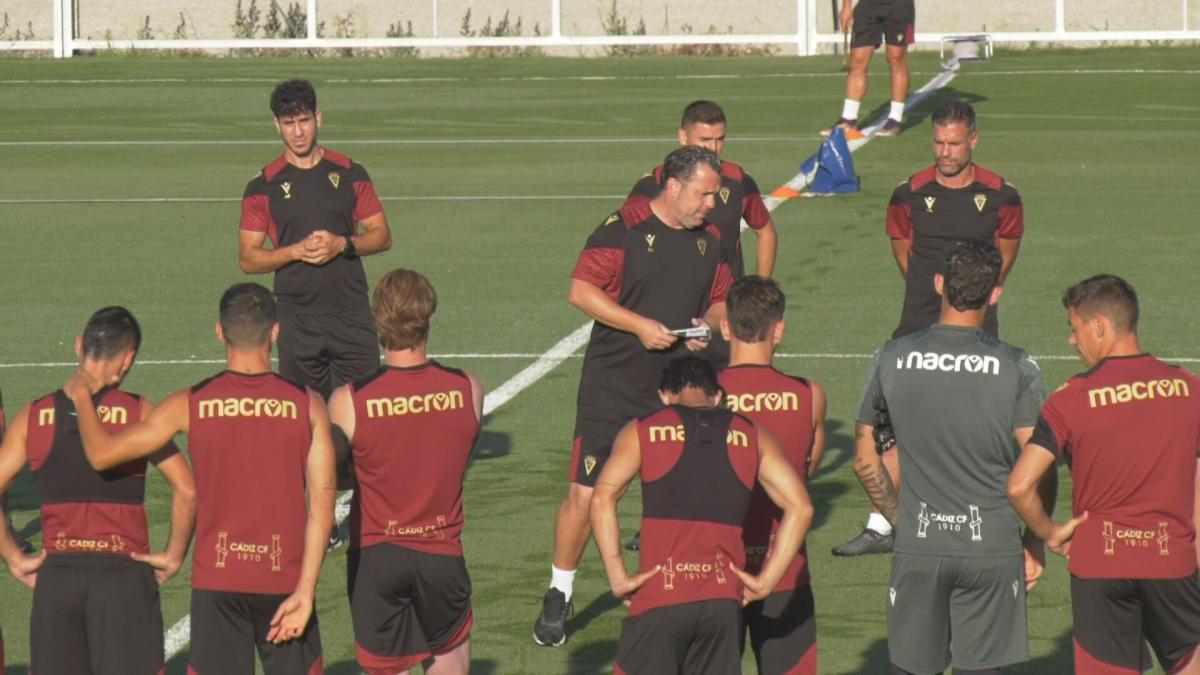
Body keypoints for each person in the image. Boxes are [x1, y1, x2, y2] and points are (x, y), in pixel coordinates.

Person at [66, 283, 336, 675]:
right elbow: (323, 503)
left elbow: (102, 455)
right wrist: (306, 592)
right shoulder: (308, 404)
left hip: (217, 583)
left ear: (219, 332)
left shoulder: (187, 404)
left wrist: (80, 398)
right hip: (285, 580)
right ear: (275, 332)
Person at [532, 145, 734, 647]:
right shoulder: (622, 230)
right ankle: (559, 591)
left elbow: (718, 301)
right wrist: (639, 325)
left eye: (715, 194)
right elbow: (581, 291)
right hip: (613, 386)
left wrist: (709, 327)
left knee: (682, 494)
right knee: (587, 493)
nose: (712, 204)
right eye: (705, 194)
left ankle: (678, 589)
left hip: (681, 389)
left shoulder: (712, 240)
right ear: (674, 187)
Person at [834, 100, 1025, 557]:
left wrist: (973, 300)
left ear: (973, 140)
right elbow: (903, 250)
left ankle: (983, 518)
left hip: (978, 329)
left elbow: (1007, 253)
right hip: (917, 324)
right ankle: (882, 525)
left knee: (976, 428)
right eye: (938, 143)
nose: (945, 152)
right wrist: (930, 293)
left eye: (954, 143)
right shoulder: (909, 194)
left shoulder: (1002, 195)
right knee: (895, 428)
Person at [853, 240, 1047, 674]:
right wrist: (1035, 538)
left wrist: (897, 518)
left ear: (939, 284)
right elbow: (1041, 459)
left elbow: (865, 458)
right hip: (991, 548)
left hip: (919, 545)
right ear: (995, 293)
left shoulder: (892, 356)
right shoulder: (1017, 366)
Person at [1008, 275, 1200, 674]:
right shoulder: (1189, 388)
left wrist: (1049, 532)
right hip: (1172, 561)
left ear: (1099, 326)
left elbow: (1020, 485)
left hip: (1100, 564)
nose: (1071, 341)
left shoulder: (1070, 399)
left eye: (1074, 329)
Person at [0, 306, 196, 675]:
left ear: (79, 346)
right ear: (128, 359)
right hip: (123, 577)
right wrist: (173, 554)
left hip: (56, 578)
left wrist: (13, 555)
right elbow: (187, 490)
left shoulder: (34, 414)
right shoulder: (138, 412)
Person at [590, 356, 813, 675]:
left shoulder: (642, 430)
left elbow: (601, 497)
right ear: (718, 396)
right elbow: (801, 507)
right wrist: (766, 582)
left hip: (660, 597)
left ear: (665, 396)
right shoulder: (752, 434)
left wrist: (617, 575)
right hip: (722, 602)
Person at [327, 269, 483, 675]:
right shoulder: (467, 387)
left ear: (377, 320)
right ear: (429, 316)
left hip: (377, 556)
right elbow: (456, 453)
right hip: (441, 552)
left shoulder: (349, 400)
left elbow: (334, 473)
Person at [238, 78, 393, 398]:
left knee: (361, 413)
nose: (297, 132)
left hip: (351, 313)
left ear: (318, 118)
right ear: (276, 125)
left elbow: (382, 236)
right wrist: (294, 251)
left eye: (304, 121)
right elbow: (249, 259)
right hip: (297, 320)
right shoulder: (262, 186)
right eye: (289, 123)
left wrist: (343, 244)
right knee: (308, 422)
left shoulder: (351, 172)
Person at [718, 276, 826, 674]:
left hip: (716, 570)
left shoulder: (701, 394)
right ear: (778, 329)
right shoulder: (809, 393)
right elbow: (808, 465)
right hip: (785, 568)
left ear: (727, 328)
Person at [624, 100, 778, 281]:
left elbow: (766, 233)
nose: (713, 148)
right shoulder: (653, 184)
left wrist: (760, 288)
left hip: (725, 303)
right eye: (704, 140)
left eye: (719, 139)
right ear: (683, 136)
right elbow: (625, 239)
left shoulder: (738, 181)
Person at [821, 0, 914, 137]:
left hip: (899, 5)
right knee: (858, 60)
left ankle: (895, 120)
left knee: (896, 58)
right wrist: (846, 7)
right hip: (868, 5)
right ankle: (848, 119)